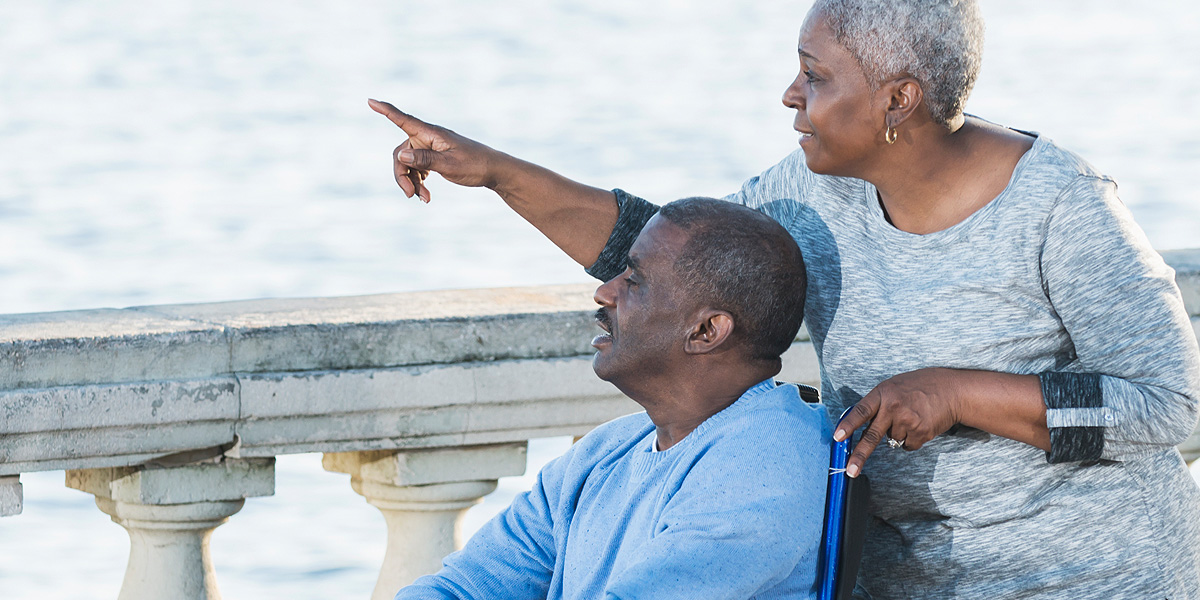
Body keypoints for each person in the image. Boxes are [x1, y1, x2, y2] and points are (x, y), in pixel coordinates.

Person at [370, 0, 1200, 596]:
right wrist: (496, 173)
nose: (790, 95)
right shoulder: (812, 191)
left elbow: (1173, 406)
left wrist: (959, 393)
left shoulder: (1060, 205)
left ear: (897, 99)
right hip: (907, 579)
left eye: (814, 75)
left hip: (1098, 577)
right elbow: (678, 258)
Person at [394, 198, 832, 600]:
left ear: (706, 331)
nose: (605, 292)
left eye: (635, 281)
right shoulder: (606, 451)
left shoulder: (769, 460)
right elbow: (467, 586)